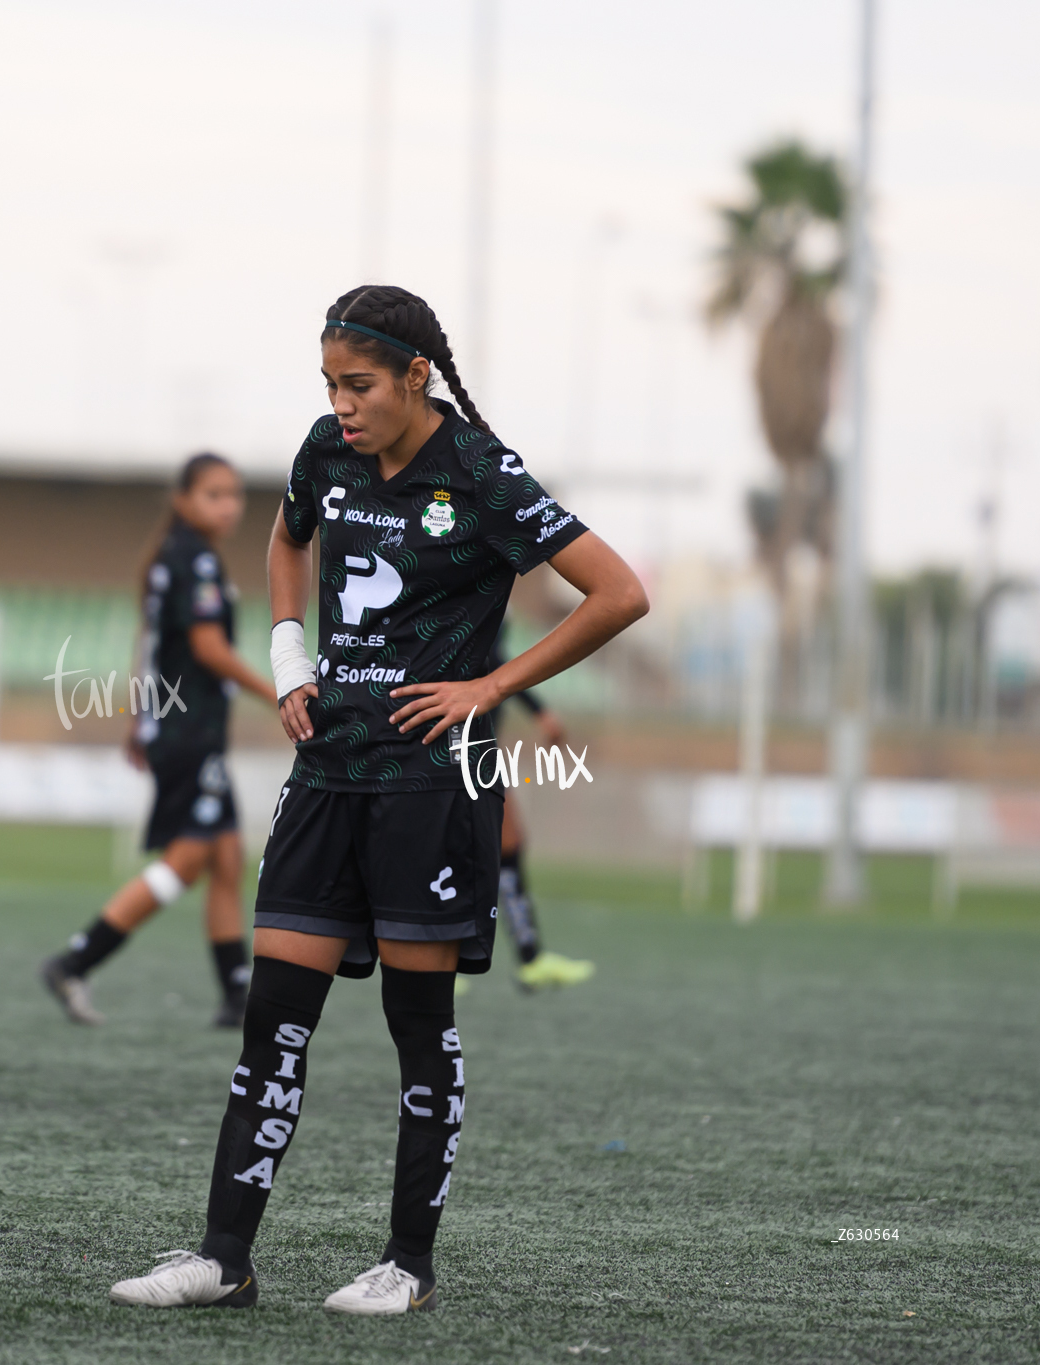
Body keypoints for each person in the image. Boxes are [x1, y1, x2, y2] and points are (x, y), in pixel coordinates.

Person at [106, 285, 646, 1315]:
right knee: (271, 1020)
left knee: (416, 1025)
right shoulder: (326, 451)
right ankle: (224, 1260)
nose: (340, 405)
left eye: (357, 386)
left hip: (427, 792)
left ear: (414, 377)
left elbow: (617, 592)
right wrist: (283, 652)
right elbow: (284, 540)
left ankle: (408, 1265)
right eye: (327, 385)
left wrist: (490, 687)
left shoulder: (481, 475)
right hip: (323, 777)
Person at [41, 454, 274, 1029]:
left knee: (225, 857)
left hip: (180, 727)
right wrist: (282, 693)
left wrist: (137, 717)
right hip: (189, 731)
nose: (229, 505)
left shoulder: (180, 557)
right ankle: (75, 961)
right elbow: (208, 651)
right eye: (214, 494)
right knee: (190, 857)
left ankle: (236, 993)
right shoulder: (192, 560)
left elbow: (150, 643)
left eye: (234, 494)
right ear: (183, 499)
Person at [485, 636, 595, 991]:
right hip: (455, 744)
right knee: (481, 849)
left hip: (476, 744)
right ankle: (426, 961)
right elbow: (494, 660)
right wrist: (539, 710)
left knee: (504, 845)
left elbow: (496, 660)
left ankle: (529, 957)